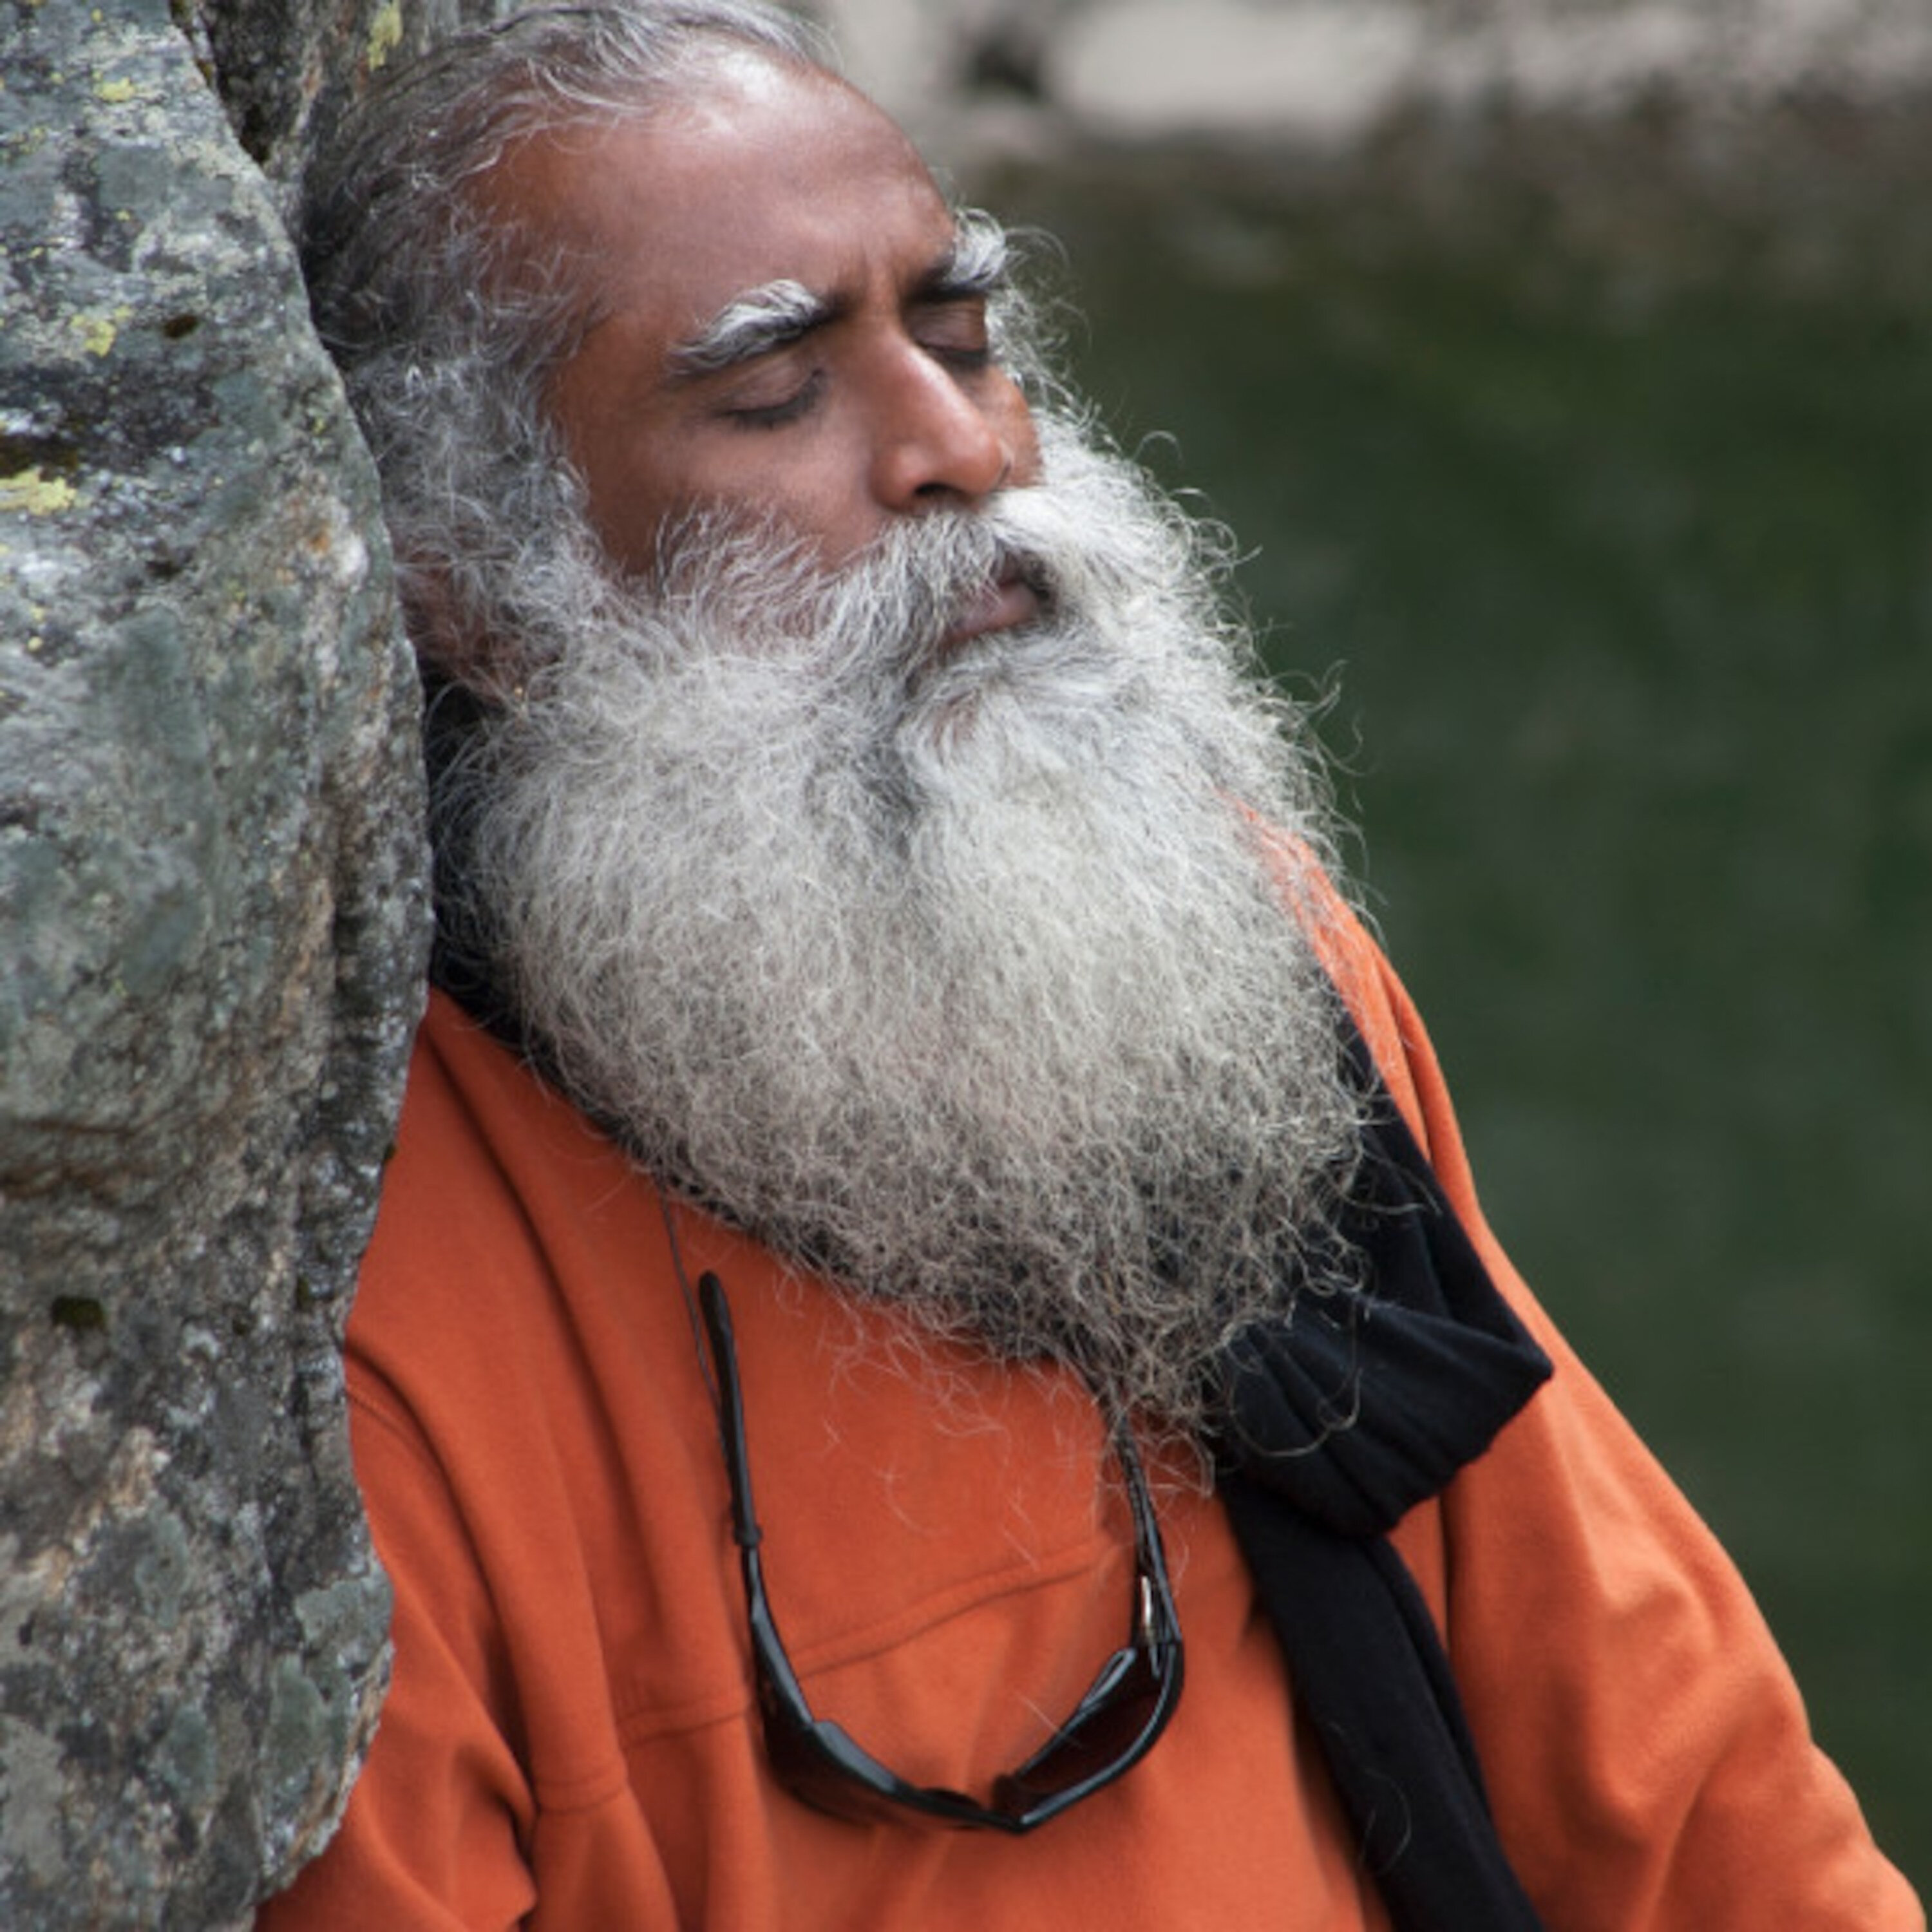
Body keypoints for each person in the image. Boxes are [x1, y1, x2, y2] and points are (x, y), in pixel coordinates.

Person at [263, 4, 1921, 1927]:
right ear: (475, 588)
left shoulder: (1214, 963)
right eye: (778, 395)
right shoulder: (378, 1352)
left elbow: (1669, 1760)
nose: (962, 449)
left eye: (964, 335)